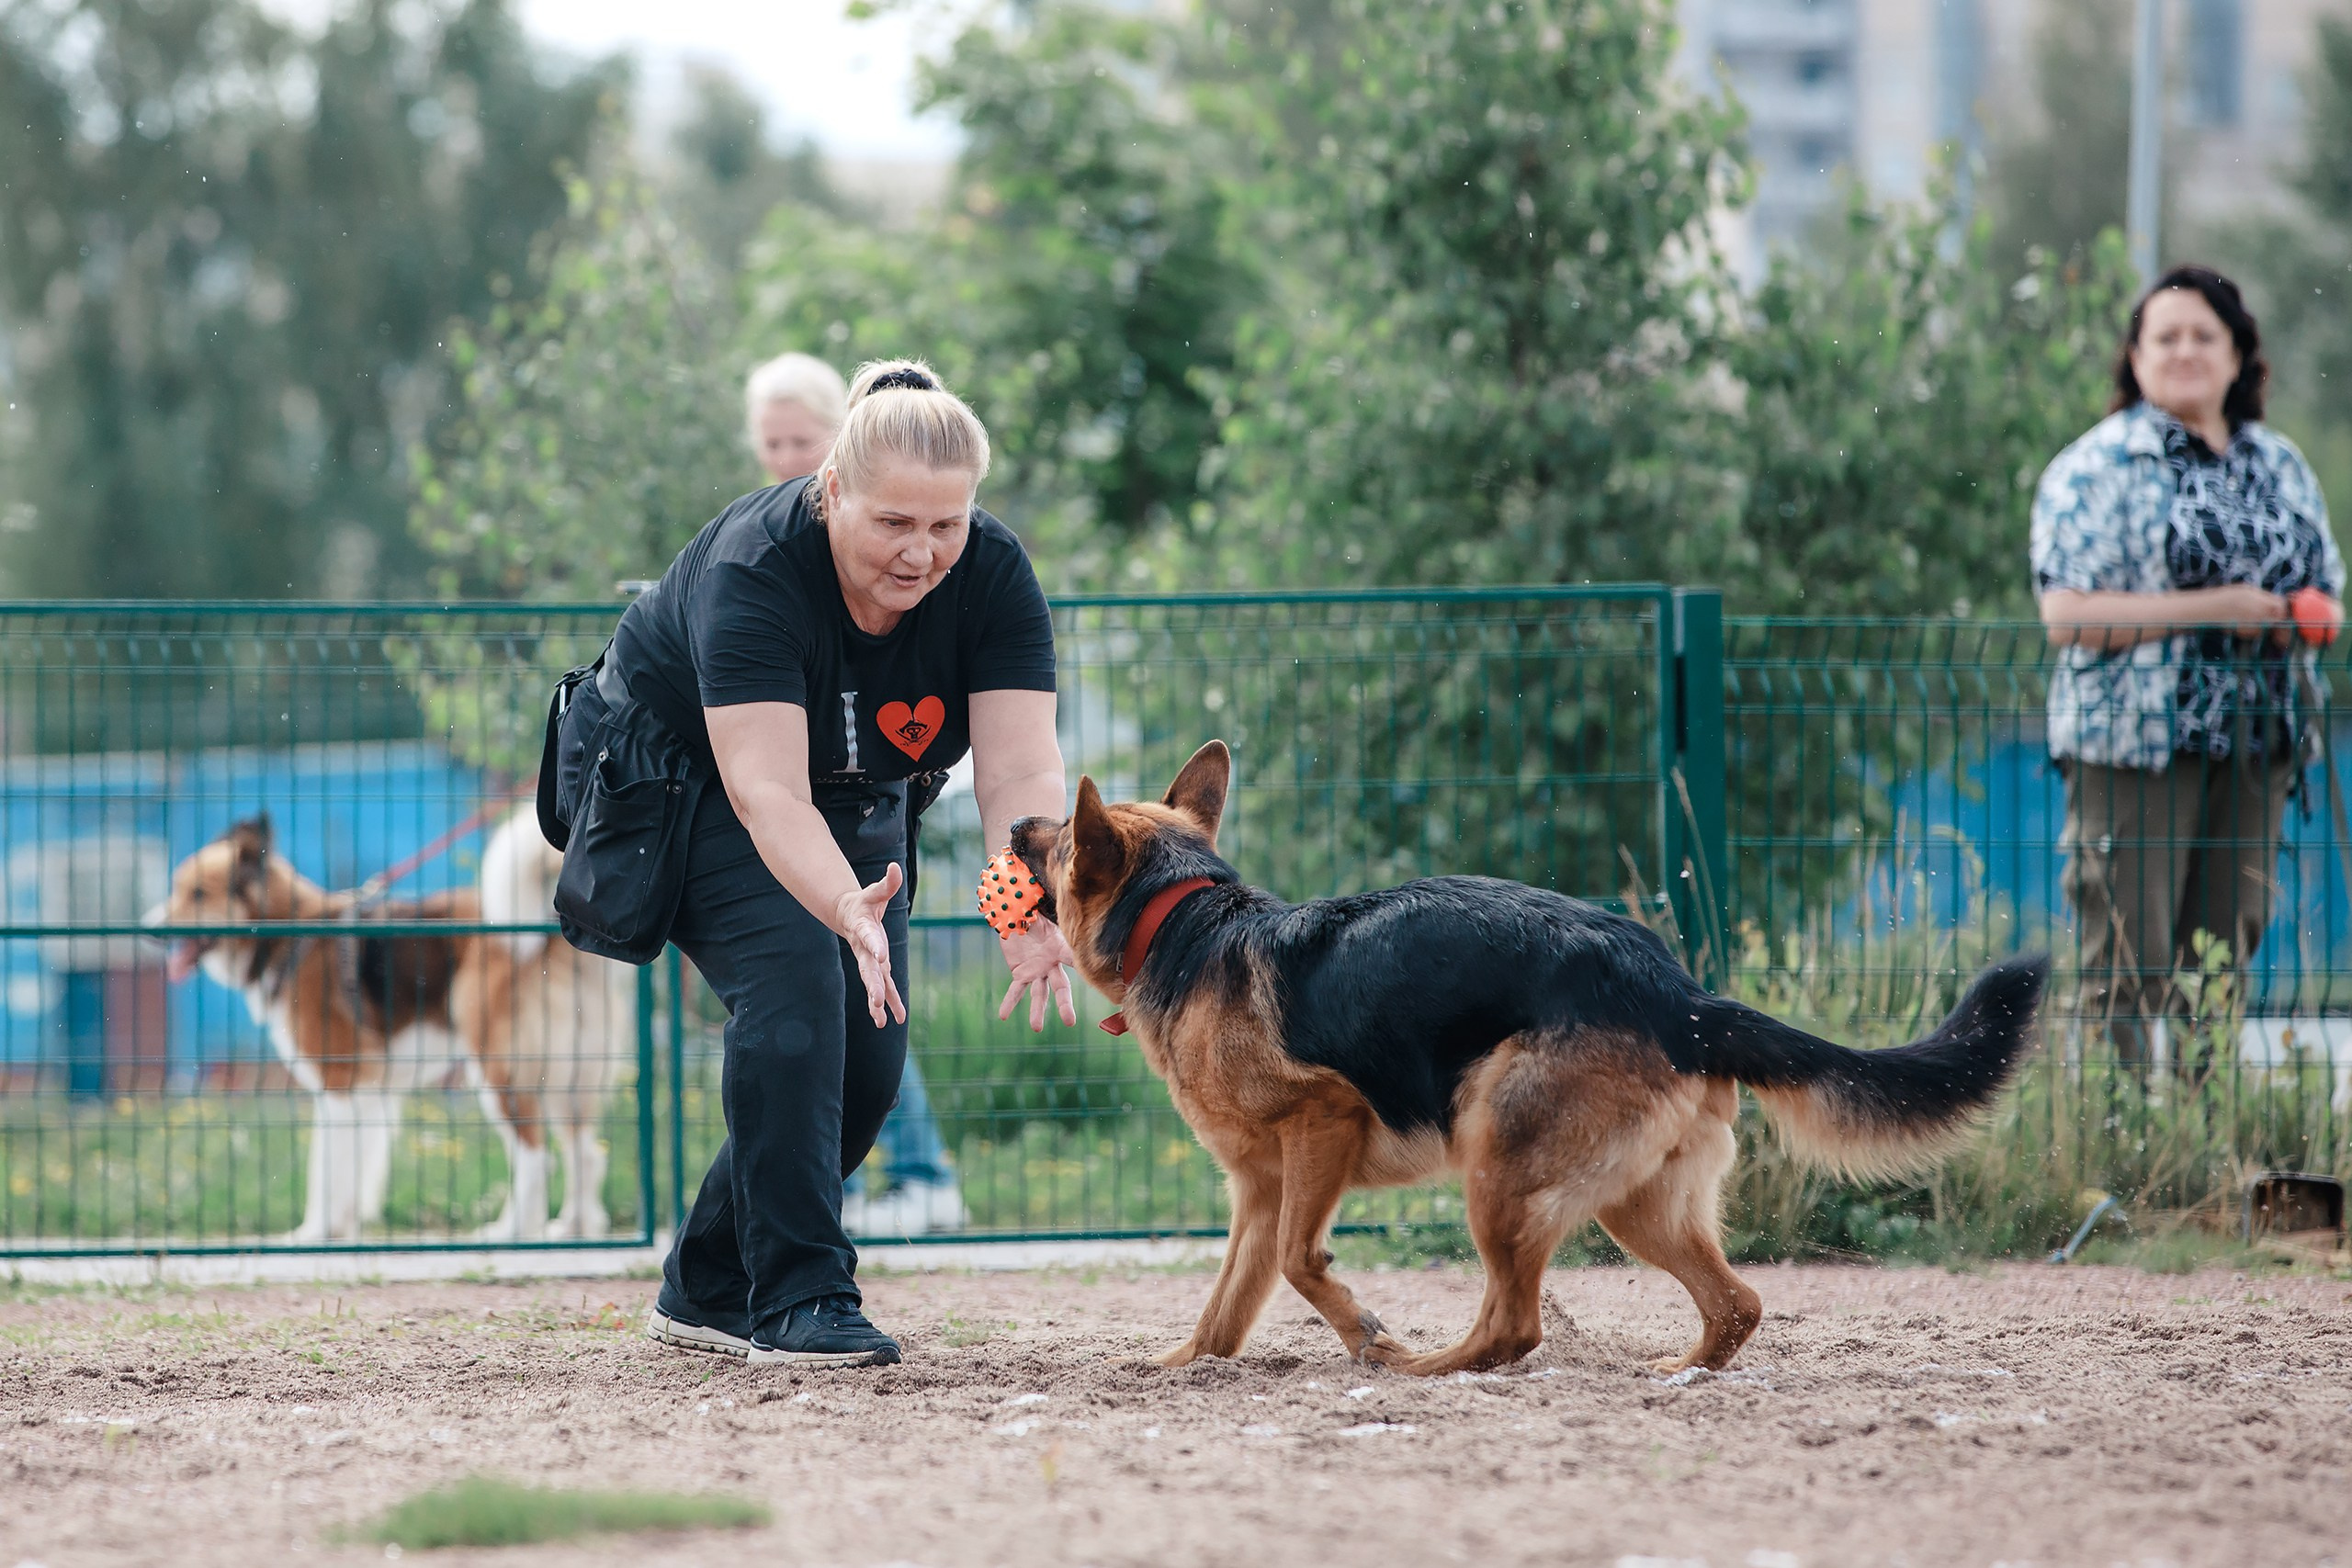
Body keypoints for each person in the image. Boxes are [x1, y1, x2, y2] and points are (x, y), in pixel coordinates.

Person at [551, 359, 1078, 1367]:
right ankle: (798, 1298)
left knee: (869, 1058)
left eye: (945, 526)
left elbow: (1019, 768)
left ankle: (708, 1285)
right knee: (797, 983)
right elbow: (765, 793)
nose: (922, 554)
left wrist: (1024, 910)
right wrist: (844, 904)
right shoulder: (757, 568)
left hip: (847, 790)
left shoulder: (997, 575)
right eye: (893, 525)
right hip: (685, 781)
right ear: (832, 491)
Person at [2032, 265, 2344, 1076]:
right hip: (2135, 745)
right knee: (2125, 957)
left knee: (2221, 956)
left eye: (2204, 335)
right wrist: (2218, 607)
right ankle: (2119, 1154)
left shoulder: (2279, 466)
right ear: (2133, 358)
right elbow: (2067, 617)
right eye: (2164, 336)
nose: (2184, 350)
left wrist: (2298, 616)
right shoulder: (2096, 467)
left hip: (2254, 745)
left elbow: (2328, 599)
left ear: (2239, 355)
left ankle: (2203, 1146)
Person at [741, 350, 973, 1235]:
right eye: (773, 442)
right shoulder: (763, 551)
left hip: (872, 805)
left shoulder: (933, 564)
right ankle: (844, 1196)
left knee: (858, 1005)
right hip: (781, 807)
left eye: (802, 437)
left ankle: (915, 1171)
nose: (786, 456)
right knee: (818, 1003)